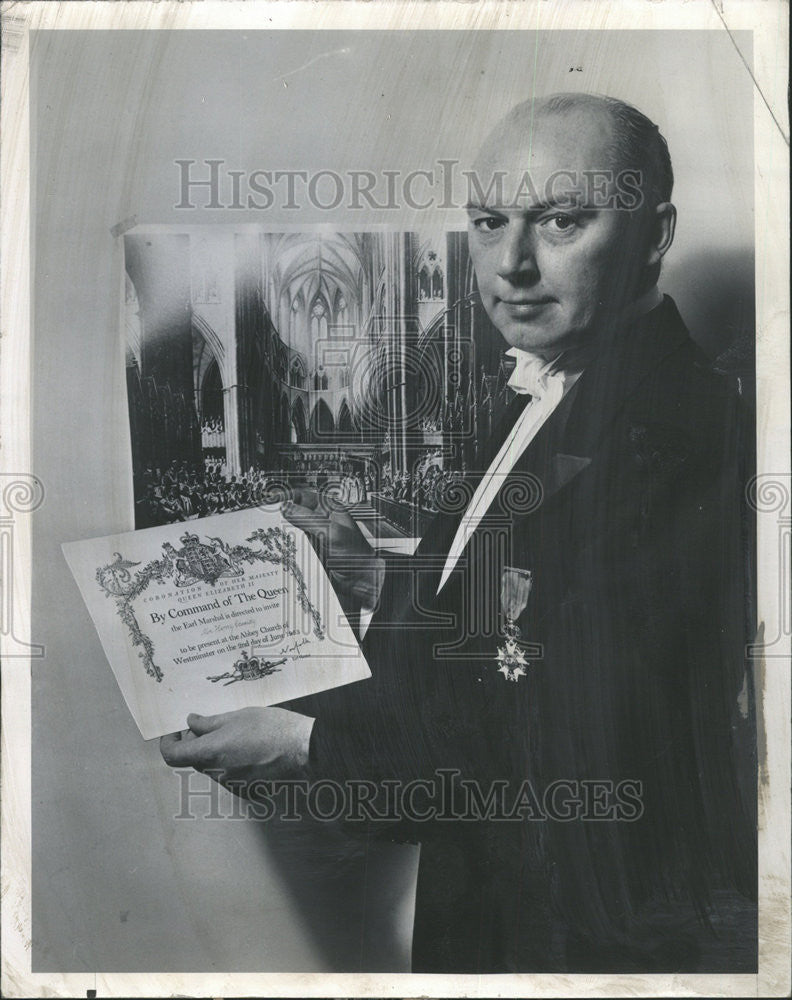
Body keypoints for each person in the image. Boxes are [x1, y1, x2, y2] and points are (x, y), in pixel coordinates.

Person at [160, 93, 756, 973]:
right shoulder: (538, 387)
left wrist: (303, 745)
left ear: (655, 233)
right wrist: (376, 579)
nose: (511, 264)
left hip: (593, 938)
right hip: (489, 913)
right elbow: (508, 631)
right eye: (488, 222)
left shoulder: (682, 433)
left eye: (561, 222)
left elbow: (562, 733)